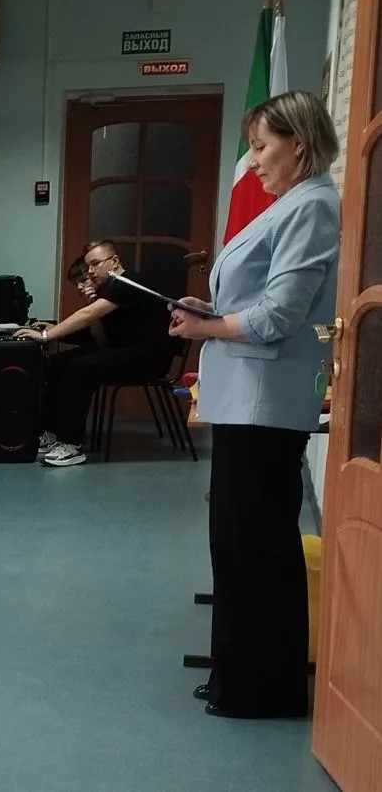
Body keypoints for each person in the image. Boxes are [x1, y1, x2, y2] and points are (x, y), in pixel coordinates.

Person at [169, 90, 340, 719]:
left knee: (257, 546)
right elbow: (259, 302)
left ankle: (262, 688)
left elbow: (277, 317)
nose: (255, 160)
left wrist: (205, 328)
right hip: (247, 400)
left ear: (300, 143)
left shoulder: (312, 206)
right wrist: (210, 313)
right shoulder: (291, 203)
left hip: (263, 404)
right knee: (240, 544)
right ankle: (241, 676)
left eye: (263, 146)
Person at [15, 240, 178, 466]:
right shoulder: (110, 289)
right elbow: (101, 340)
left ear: (114, 261)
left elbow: (89, 315)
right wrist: (57, 329)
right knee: (59, 362)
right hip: (126, 350)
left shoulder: (127, 283)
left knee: (79, 368)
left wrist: (46, 336)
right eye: (88, 266)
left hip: (149, 358)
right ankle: (52, 433)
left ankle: (71, 445)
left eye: (95, 264)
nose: (90, 271)